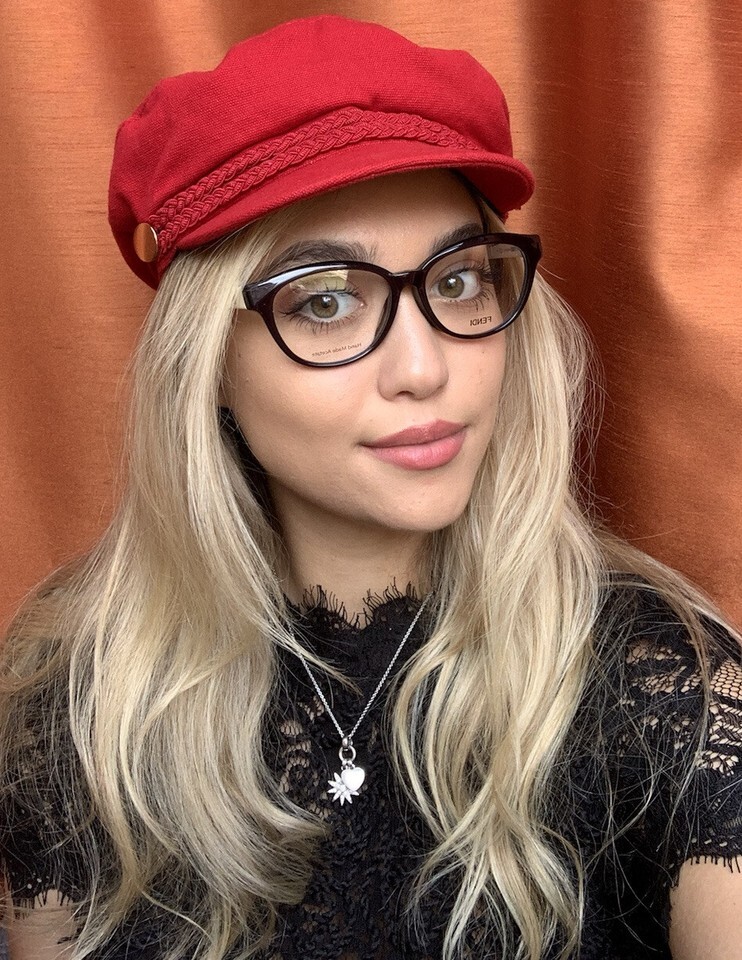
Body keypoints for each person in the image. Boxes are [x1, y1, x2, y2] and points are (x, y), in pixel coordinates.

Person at [1, 14, 741, 960]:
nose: (425, 369)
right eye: (327, 300)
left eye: (458, 281)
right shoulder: (75, 713)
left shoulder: (666, 692)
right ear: (206, 362)